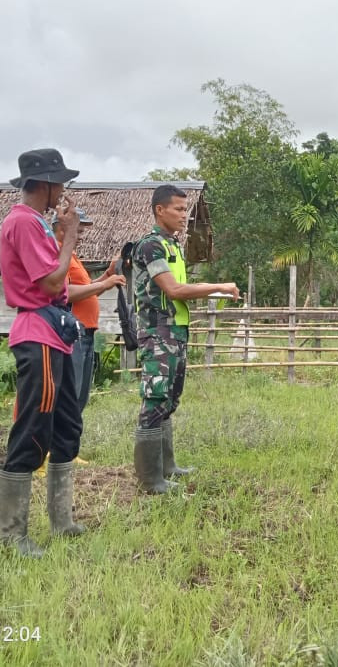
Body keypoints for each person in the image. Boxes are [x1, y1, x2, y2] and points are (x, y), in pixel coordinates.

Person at [0, 148, 84, 557]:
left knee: (67, 424)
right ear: (45, 184)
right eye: (60, 183)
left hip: (56, 332)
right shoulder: (24, 223)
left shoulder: (38, 224)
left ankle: (61, 521)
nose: (63, 190)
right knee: (34, 428)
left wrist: (62, 236)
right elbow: (50, 284)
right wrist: (70, 238)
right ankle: (13, 535)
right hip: (38, 334)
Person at [132, 184, 240, 494]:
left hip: (176, 330)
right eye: (179, 209)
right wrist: (217, 286)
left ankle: (167, 467)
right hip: (157, 331)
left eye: (185, 209)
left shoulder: (173, 246)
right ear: (159, 210)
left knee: (169, 399)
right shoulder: (150, 246)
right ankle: (150, 480)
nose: (184, 215)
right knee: (154, 399)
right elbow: (175, 290)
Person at [55, 208, 126, 423]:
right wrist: (105, 283)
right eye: (78, 231)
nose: (81, 237)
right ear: (62, 229)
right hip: (72, 332)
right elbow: (65, 293)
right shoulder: (57, 253)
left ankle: (69, 448)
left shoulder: (71, 256)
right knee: (70, 394)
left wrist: (108, 274)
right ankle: (59, 450)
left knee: (80, 394)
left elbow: (86, 289)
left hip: (86, 331)